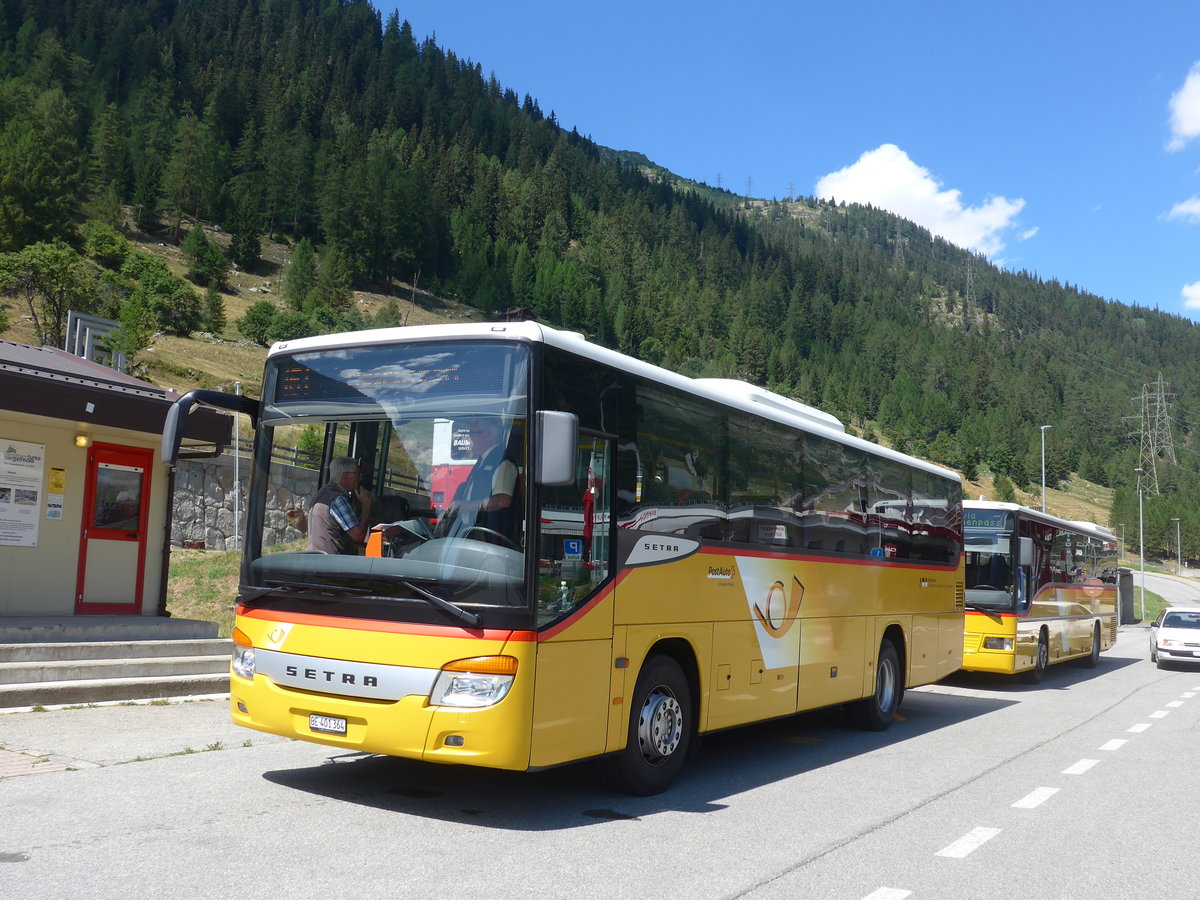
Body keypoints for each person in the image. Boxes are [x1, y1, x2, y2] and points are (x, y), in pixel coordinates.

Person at [446, 418, 518, 539]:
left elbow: (503, 500)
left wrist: (467, 506)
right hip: (474, 531)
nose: (469, 439)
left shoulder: (503, 462)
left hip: (490, 537)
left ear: (485, 435)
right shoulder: (483, 460)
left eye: (471, 434)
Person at [307, 457, 374, 554]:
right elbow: (359, 536)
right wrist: (367, 506)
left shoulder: (323, 493)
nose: (360, 478)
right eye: (358, 474)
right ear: (345, 476)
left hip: (318, 557)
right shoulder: (337, 499)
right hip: (333, 563)